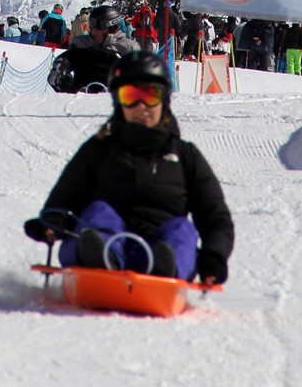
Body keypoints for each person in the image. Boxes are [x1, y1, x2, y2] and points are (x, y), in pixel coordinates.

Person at [24, 51, 234, 283]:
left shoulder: (185, 156)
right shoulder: (99, 148)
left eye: (151, 94)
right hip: (104, 244)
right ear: (118, 102)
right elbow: (64, 198)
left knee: (181, 228)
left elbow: (215, 217)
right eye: (131, 95)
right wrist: (53, 223)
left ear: (164, 100)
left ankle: (166, 266)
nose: (141, 105)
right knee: (99, 212)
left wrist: (214, 256)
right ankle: (101, 256)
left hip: (160, 247)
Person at [61, 3, 138, 91]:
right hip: (81, 99)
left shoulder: (128, 48)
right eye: (91, 26)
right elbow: (63, 63)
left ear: (112, 26)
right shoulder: (82, 45)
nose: (94, 31)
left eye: (99, 26)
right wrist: (68, 85)